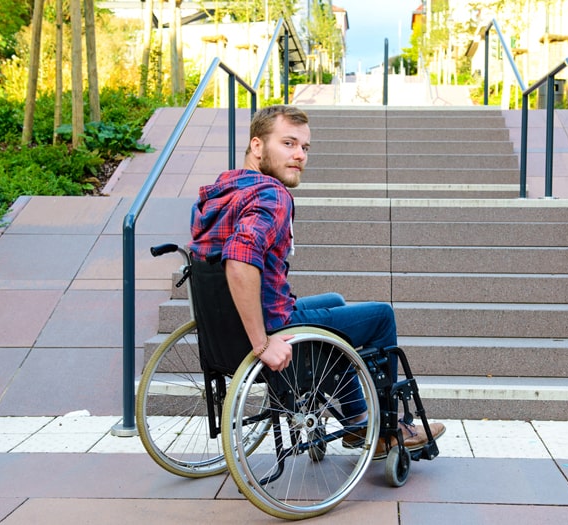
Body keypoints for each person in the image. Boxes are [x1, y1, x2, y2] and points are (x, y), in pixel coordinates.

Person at [189, 105, 444, 457]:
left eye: (305, 148)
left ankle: (356, 418)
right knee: (382, 316)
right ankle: (386, 430)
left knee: (335, 301)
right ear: (257, 146)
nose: (299, 155)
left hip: (224, 334)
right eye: (289, 143)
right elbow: (238, 262)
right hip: (272, 328)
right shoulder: (271, 196)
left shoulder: (221, 192)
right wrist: (262, 343)